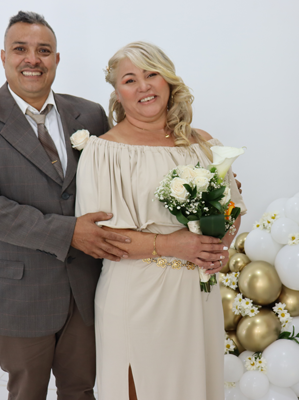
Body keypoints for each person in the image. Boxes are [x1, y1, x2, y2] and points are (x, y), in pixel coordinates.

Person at [74, 41, 245, 400]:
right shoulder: (103, 151)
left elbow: (232, 211)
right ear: (117, 93)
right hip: (136, 297)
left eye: (151, 74)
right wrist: (174, 244)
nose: (144, 86)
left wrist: (219, 241)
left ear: (168, 81)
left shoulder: (204, 145)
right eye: (130, 79)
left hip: (196, 296)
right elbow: (102, 238)